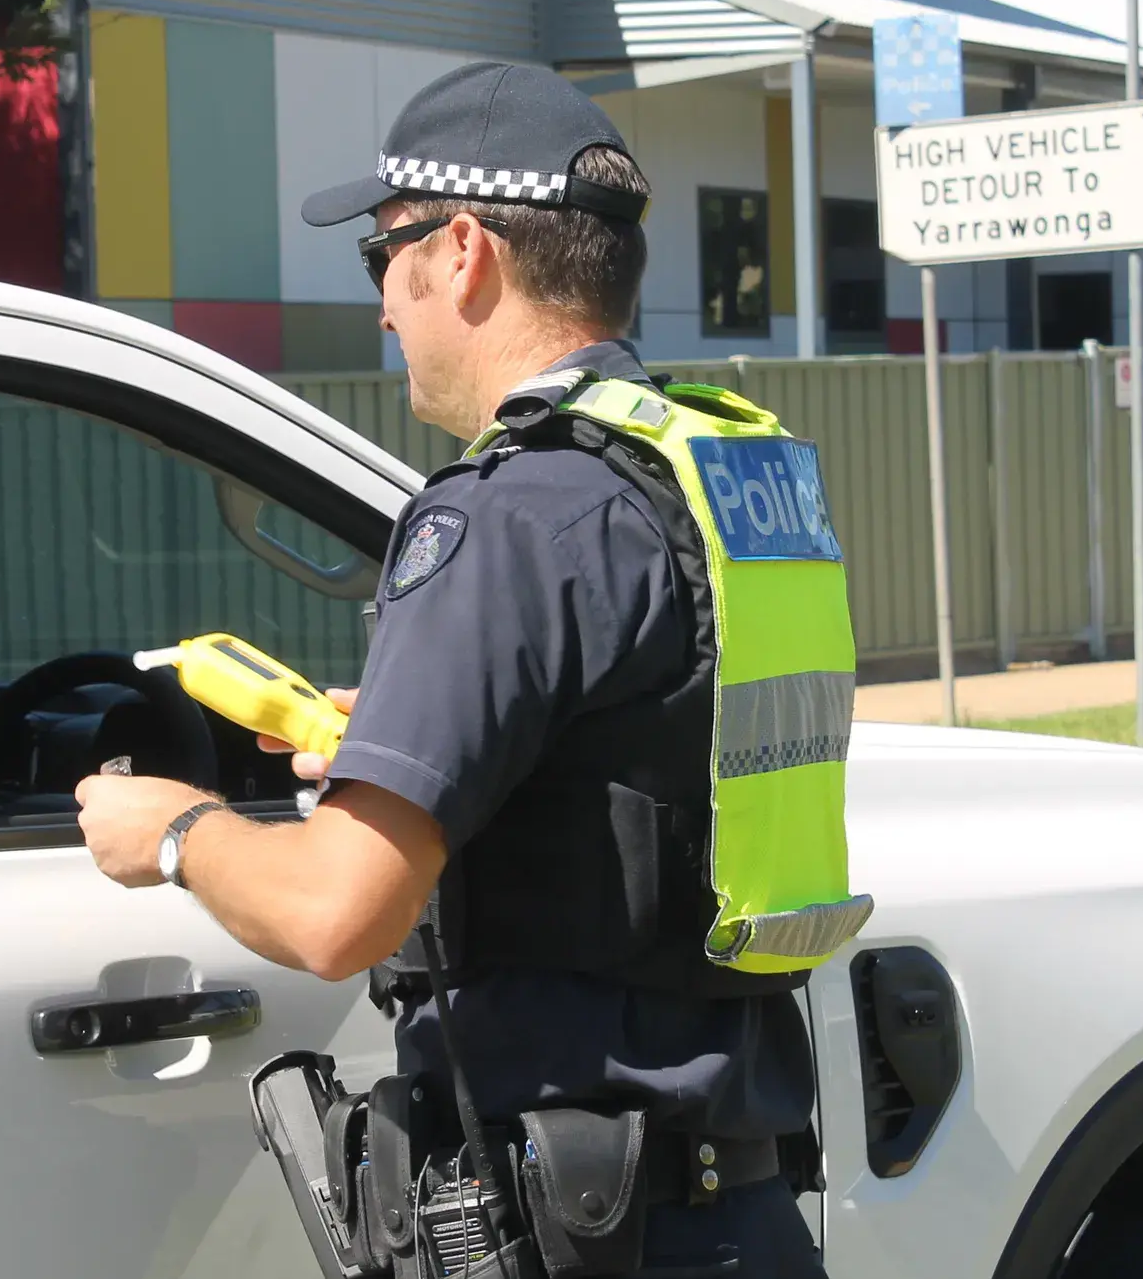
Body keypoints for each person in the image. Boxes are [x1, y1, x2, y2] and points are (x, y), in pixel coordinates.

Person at [75, 62, 868, 1278]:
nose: (384, 309)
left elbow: (335, 913)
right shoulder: (707, 474)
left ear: (461, 251)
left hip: (587, 1227)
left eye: (382, 258)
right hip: (736, 1208)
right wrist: (425, 744)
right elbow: (649, 761)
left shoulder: (504, 516)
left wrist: (174, 827)